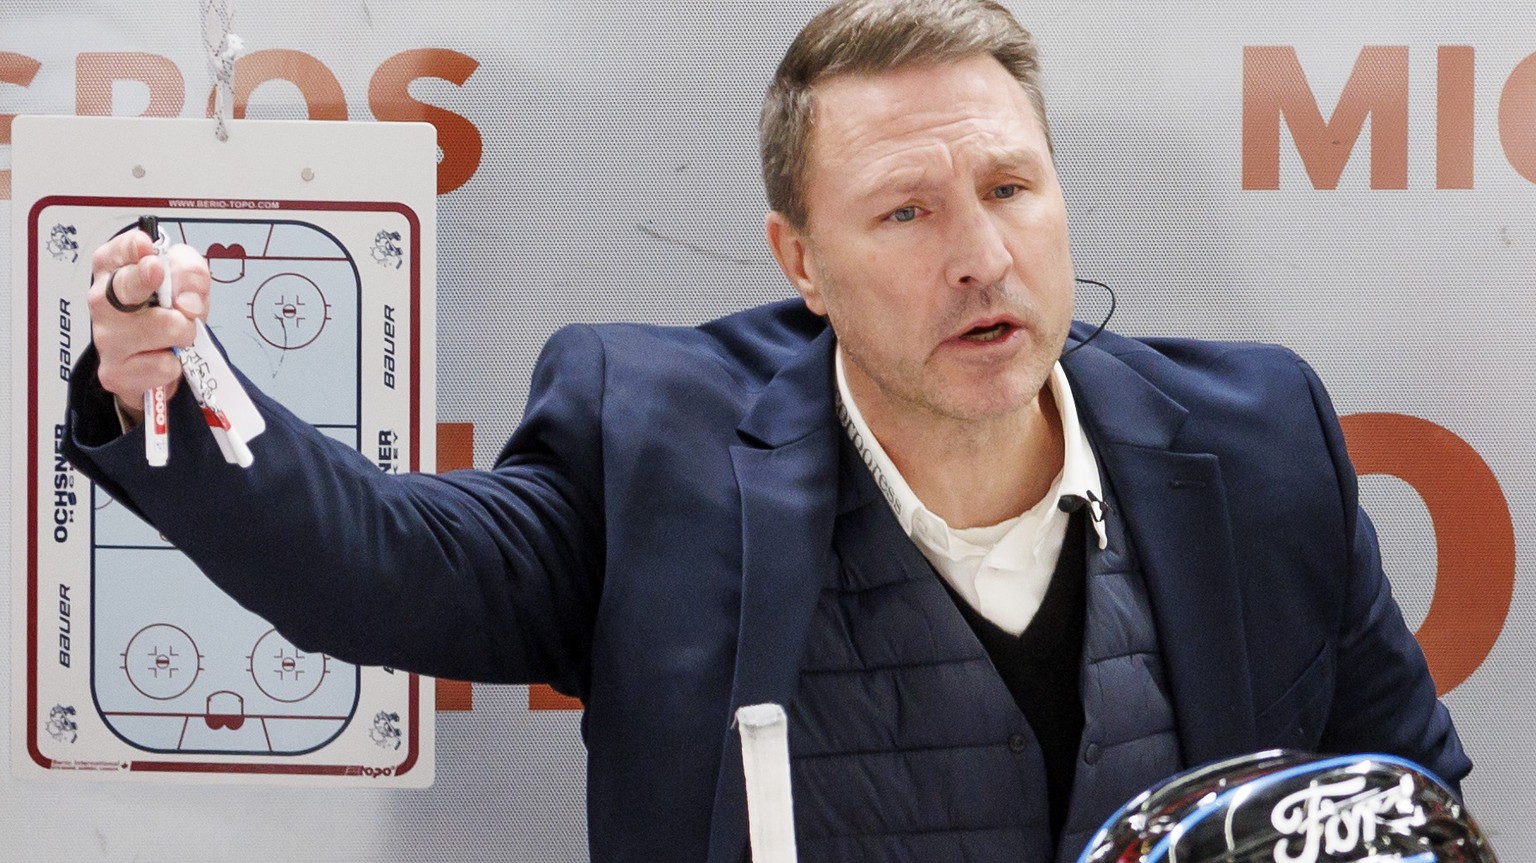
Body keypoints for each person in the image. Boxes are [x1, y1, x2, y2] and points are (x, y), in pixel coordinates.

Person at [64, 1, 1469, 861]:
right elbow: (382, 561)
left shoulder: (1263, 441)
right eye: (907, 212)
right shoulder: (657, 445)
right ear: (800, 260)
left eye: (1011, 187)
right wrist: (172, 385)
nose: (981, 255)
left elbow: (1406, 798)